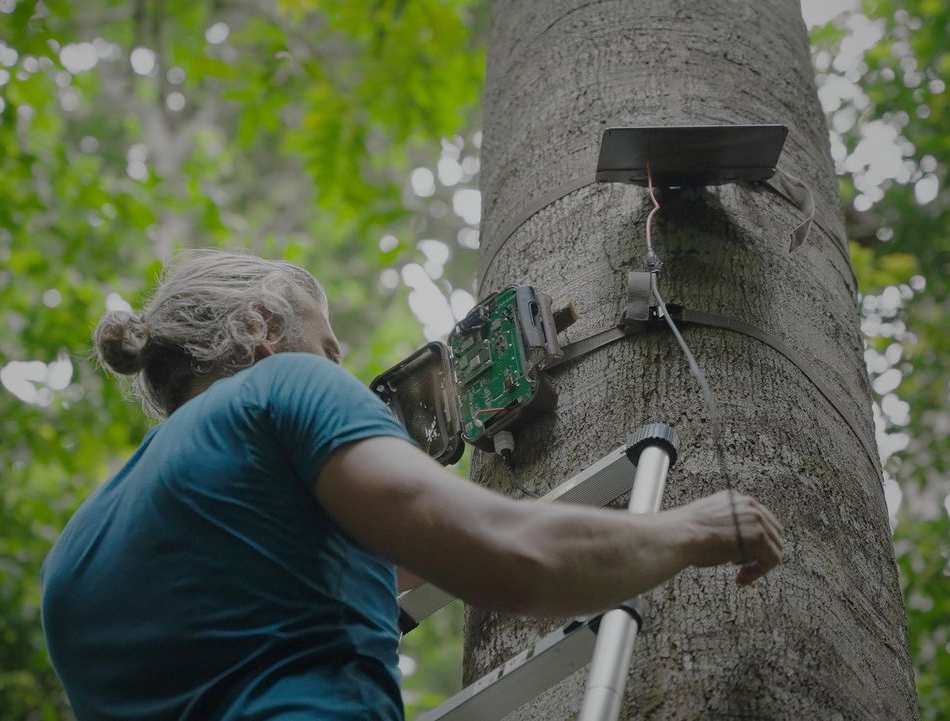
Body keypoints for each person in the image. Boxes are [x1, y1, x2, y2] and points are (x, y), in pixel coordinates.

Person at [40, 249, 784, 721]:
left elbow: (293, 584)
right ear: (265, 328)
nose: (335, 369)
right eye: (329, 348)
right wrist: (691, 530)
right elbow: (508, 557)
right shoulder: (282, 388)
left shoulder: (72, 560)